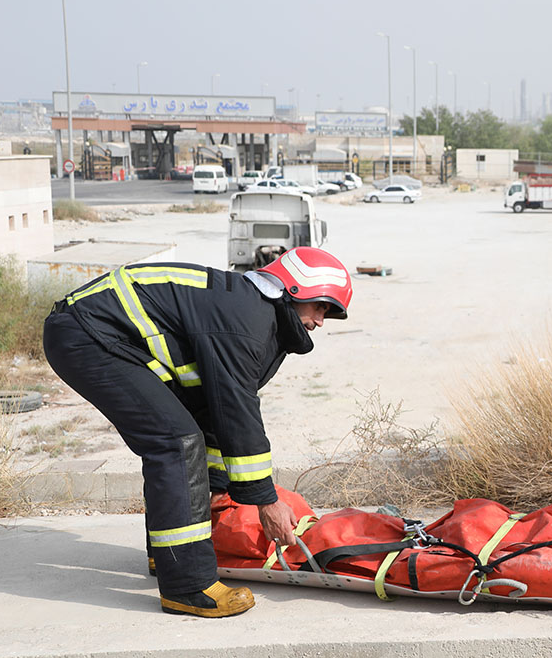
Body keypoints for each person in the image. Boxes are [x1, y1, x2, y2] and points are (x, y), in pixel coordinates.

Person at [43, 247, 353, 618]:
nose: (320, 321)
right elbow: (239, 415)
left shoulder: (257, 319)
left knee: (184, 435)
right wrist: (266, 501)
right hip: (87, 335)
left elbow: (214, 411)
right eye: (320, 307)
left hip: (102, 335)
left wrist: (219, 484)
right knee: (174, 442)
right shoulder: (246, 321)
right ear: (295, 290)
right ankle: (187, 586)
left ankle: (170, 555)